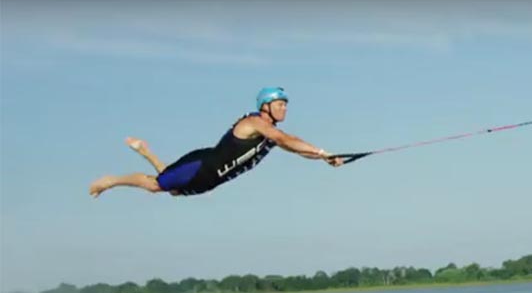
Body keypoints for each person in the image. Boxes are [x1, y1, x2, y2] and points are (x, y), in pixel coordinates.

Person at [88, 87, 343, 198]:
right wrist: (321, 151)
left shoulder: (269, 134)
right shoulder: (255, 124)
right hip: (201, 166)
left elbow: (294, 148)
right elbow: (285, 139)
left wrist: (324, 158)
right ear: (265, 106)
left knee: (173, 191)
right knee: (157, 186)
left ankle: (145, 151)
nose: (284, 109)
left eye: (286, 105)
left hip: (213, 180)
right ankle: (112, 180)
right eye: (279, 104)